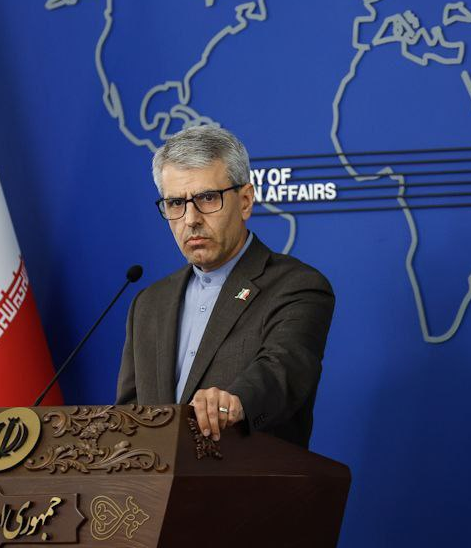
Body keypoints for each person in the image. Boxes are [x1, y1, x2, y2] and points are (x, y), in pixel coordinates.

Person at [115, 126, 334, 448]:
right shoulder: (149, 302)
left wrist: (236, 401)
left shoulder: (297, 287)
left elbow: (282, 370)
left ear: (245, 201)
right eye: (175, 203)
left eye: (207, 198)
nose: (190, 219)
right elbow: (129, 414)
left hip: (248, 475)